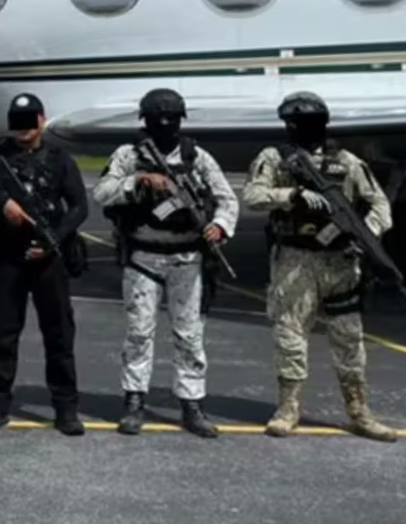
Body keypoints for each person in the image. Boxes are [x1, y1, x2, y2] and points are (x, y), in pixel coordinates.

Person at [241, 91, 397, 442]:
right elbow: (252, 196)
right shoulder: (275, 159)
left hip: (340, 262)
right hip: (295, 260)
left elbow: (380, 207)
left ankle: (359, 411)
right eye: (298, 123)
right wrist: (290, 196)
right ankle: (287, 409)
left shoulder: (347, 162)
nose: (305, 129)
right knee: (290, 336)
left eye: (312, 123)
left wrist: (364, 234)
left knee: (349, 338)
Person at [92, 87, 238, 438]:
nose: (165, 124)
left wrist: (219, 226)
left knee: (189, 335)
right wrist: (138, 181)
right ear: (145, 121)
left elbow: (226, 197)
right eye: (159, 119)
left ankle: (192, 404)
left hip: (187, 258)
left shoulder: (197, 157)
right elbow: (102, 193)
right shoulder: (129, 155)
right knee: (139, 333)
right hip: (143, 257)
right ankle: (134, 401)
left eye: (172, 119)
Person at [0, 92, 89, 435]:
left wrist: (52, 241)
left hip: (49, 257)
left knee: (59, 336)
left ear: (41, 120)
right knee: (3, 335)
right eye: (16, 122)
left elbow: (79, 206)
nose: (22, 130)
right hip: (8, 257)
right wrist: (2, 202)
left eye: (28, 121)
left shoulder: (60, 158)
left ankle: (66, 408)